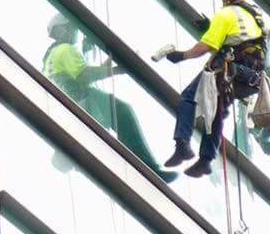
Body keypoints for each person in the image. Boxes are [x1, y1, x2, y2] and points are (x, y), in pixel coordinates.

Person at [44, 14, 177, 182]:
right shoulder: (64, 49)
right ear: (61, 30)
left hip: (71, 103)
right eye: (72, 28)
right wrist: (116, 70)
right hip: (81, 100)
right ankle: (146, 167)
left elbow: (84, 74)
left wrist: (111, 61)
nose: (75, 32)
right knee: (122, 113)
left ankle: (131, 166)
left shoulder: (52, 55)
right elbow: (85, 76)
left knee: (116, 120)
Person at [161, 0, 268, 177]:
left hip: (226, 69)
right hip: (248, 76)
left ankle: (182, 146)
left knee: (188, 98)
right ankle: (205, 160)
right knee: (217, 112)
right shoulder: (254, 13)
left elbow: (205, 47)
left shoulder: (226, 14)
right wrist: (211, 26)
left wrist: (181, 56)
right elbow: (241, 38)